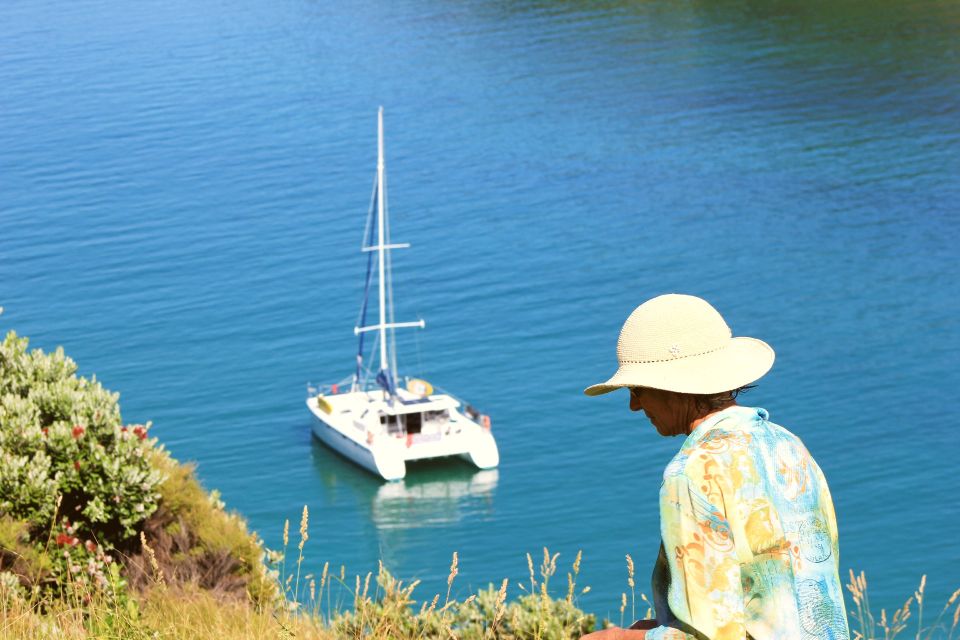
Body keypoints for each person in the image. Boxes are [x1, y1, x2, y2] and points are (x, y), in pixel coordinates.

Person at [580, 294, 849, 640]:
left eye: (637, 388)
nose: (633, 405)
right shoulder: (788, 446)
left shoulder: (691, 474)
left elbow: (712, 637)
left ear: (671, 386)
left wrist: (616, 638)